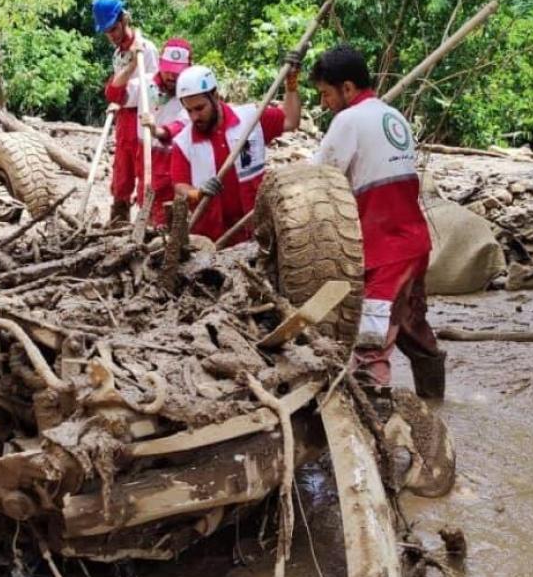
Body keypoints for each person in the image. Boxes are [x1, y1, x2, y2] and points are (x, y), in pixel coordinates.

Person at [308, 44, 444, 399]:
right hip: (414, 244)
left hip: (385, 249)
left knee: (371, 346)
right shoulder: (392, 115)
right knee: (412, 327)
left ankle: (378, 434)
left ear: (347, 88)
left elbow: (317, 179)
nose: (324, 103)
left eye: (325, 94)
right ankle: (436, 401)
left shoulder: (348, 120)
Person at [168, 59, 301, 242]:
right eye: (188, 110)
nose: (194, 117)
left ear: (215, 96)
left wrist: (291, 84)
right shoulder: (183, 143)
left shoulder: (251, 119)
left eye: (199, 108)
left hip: (258, 231)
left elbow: (291, 121)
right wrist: (197, 193)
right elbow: (180, 186)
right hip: (213, 240)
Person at [93, 0, 160, 225]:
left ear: (124, 20)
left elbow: (153, 90)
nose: (110, 35)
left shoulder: (146, 49)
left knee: (144, 173)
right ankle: (118, 226)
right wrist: (117, 99)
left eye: (113, 29)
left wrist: (123, 92)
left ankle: (146, 224)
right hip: (124, 119)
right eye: (107, 32)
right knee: (121, 175)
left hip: (142, 118)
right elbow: (117, 89)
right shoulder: (118, 54)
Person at [140, 37, 192, 226]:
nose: (172, 76)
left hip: (173, 156)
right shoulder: (145, 84)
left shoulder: (190, 92)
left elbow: (182, 125)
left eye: (177, 72)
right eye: (168, 70)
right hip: (145, 153)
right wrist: (130, 62)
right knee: (144, 199)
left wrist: (157, 130)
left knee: (167, 207)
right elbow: (115, 93)